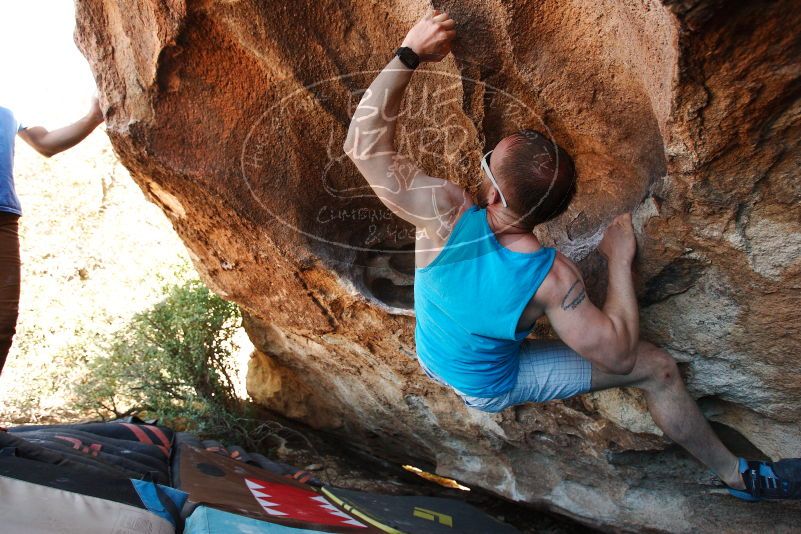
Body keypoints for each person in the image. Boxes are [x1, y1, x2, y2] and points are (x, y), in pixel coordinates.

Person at [343, 10, 800, 501]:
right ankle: (739, 474)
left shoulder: (444, 215)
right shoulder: (554, 280)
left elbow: (362, 146)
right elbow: (620, 352)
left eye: (486, 161)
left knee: (640, 362)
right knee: (660, 372)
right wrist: (618, 261)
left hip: (444, 359)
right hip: (481, 376)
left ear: (494, 196)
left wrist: (409, 52)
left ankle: (736, 477)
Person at [0, 99, 104, 374]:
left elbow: (45, 142)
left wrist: (93, 117)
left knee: (2, 323)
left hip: (4, 218)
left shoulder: (10, 103)